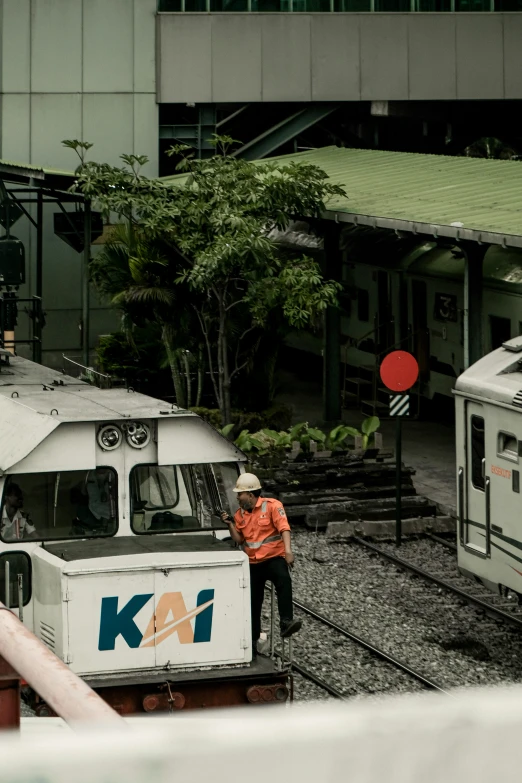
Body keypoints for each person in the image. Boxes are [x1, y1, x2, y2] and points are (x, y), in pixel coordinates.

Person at [221, 473, 302, 654]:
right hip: (253, 563)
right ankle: (252, 637)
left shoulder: (273, 506)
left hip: (273, 558)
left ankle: (286, 622)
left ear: (250, 494)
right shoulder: (239, 515)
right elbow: (239, 540)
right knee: (253, 600)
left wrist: (288, 551)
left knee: (283, 580)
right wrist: (230, 525)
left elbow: (284, 528)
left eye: (240, 494)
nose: (237, 497)